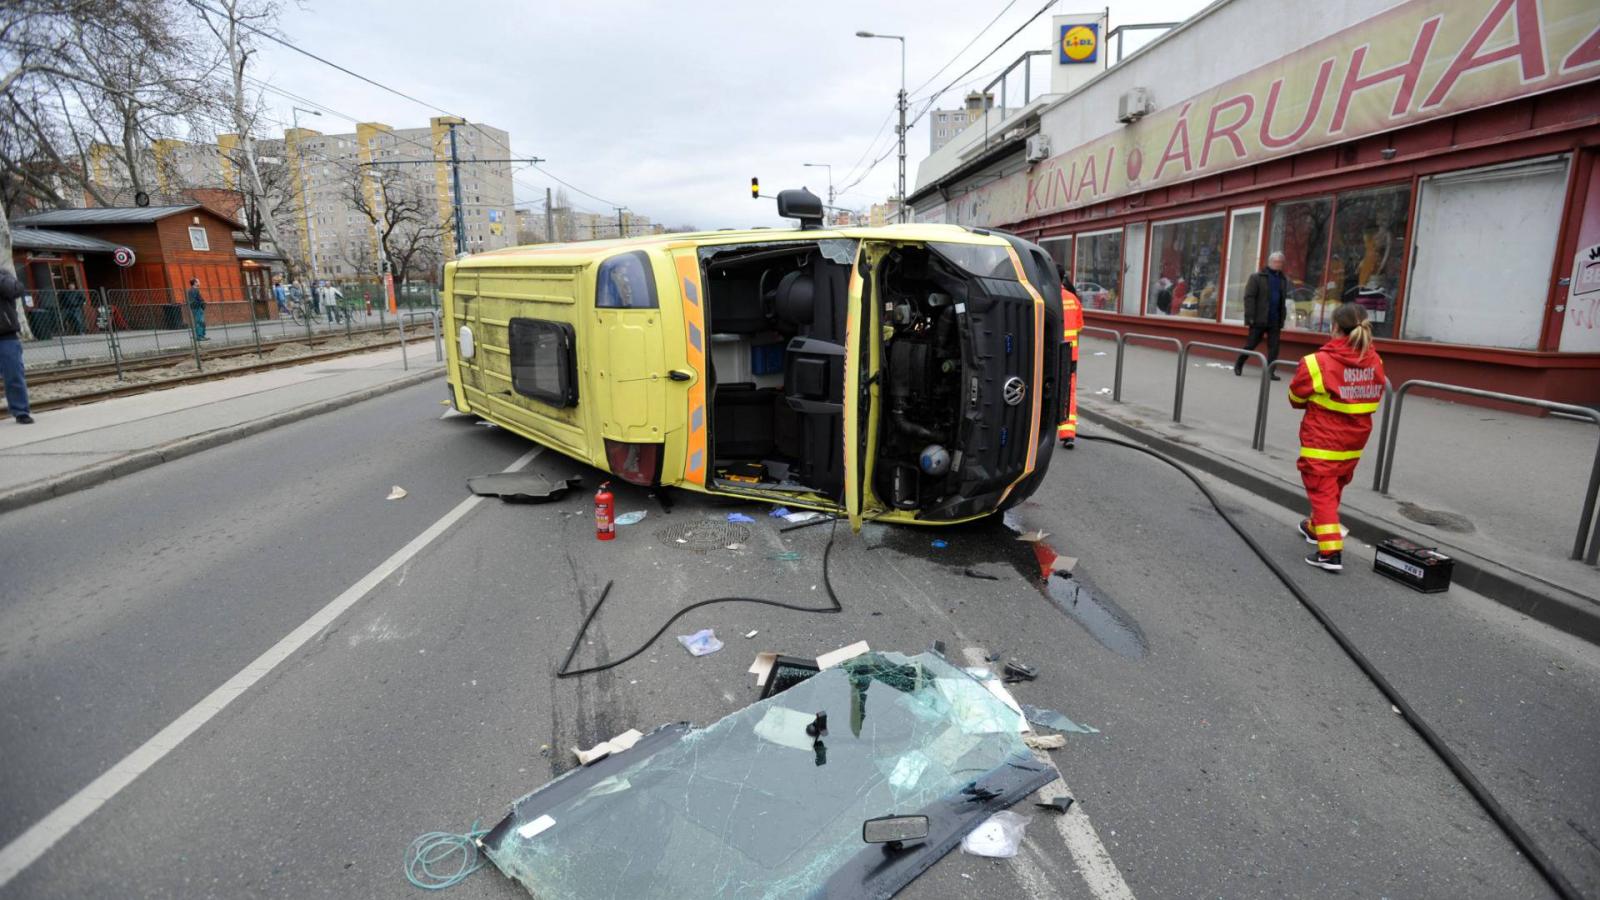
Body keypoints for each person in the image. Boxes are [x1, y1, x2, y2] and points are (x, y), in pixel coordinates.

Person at [1288, 303, 1385, 573]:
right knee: (1333, 485)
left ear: (1334, 328)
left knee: (1321, 489)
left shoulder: (1317, 362)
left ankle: (1330, 552)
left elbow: (1296, 397)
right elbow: (1374, 395)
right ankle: (1314, 526)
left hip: (1323, 439)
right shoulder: (1375, 360)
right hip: (1354, 440)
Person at [1235, 251, 1290, 380]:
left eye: (1281, 262)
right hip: (1259, 318)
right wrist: (1250, 317)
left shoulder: (1283, 279)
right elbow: (1249, 298)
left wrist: (1282, 317)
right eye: (1276, 262)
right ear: (1270, 263)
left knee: (1274, 347)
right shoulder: (1257, 277)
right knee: (1251, 344)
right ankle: (1239, 364)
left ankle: (1270, 372)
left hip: (1275, 319)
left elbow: (1282, 300)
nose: (1278, 264)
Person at [0, 270, 34, 423]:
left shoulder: (4, 275)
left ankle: (20, 411)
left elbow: (15, 290)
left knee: (13, 375)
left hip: (6, 336)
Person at [1058, 274, 1083, 448]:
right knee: (1069, 390)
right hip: (1070, 354)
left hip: (1049, 353)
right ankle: (1067, 433)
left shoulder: (1044, 296)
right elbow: (1079, 326)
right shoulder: (1072, 299)